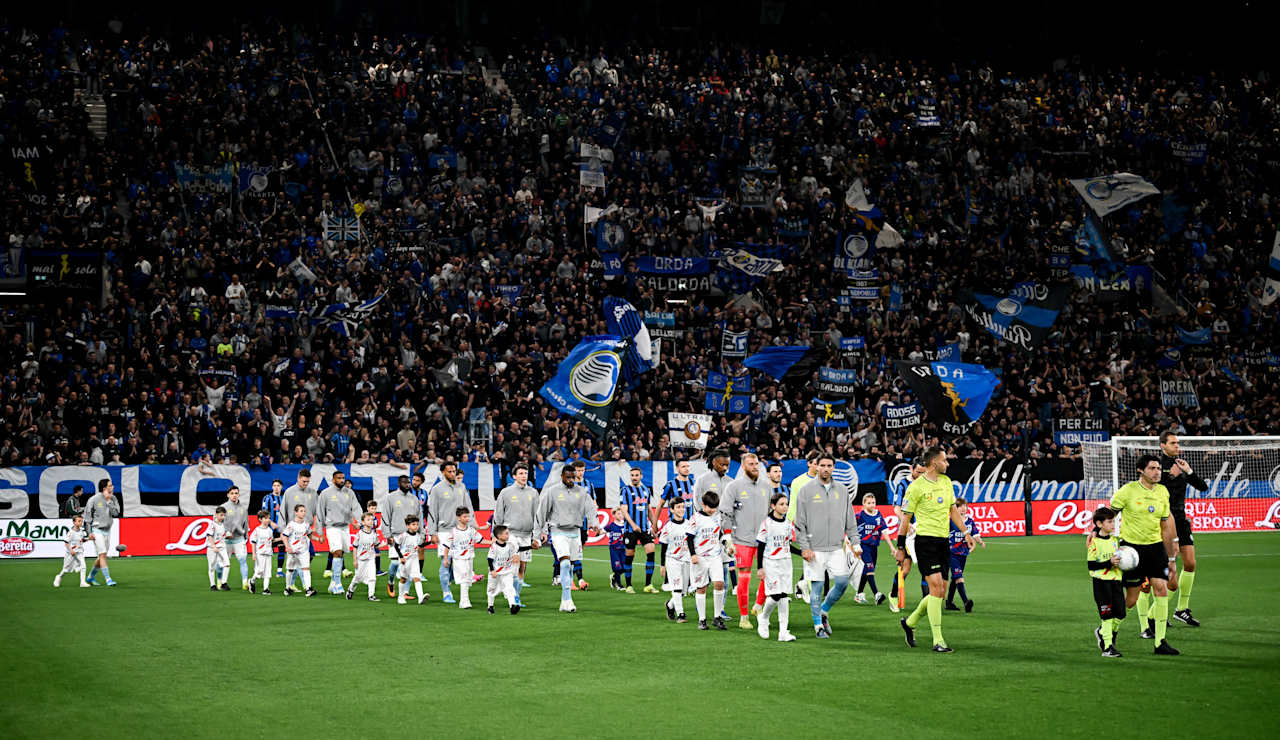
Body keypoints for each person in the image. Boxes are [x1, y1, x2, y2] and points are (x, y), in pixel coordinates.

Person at [895, 447, 975, 653]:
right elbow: (905, 519)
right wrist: (900, 547)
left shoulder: (947, 482)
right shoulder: (916, 488)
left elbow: (952, 511)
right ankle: (938, 640)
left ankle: (910, 622)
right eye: (944, 460)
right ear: (933, 463)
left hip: (943, 542)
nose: (947, 464)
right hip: (925, 542)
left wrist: (966, 532)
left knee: (939, 592)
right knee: (936, 589)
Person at [1110, 454, 1180, 655]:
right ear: (1141, 470)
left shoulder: (1163, 492)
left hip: (1155, 547)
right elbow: (1109, 515)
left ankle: (1160, 642)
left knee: (1161, 589)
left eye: (1158, 468)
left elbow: (1165, 526)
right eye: (1152, 468)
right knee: (1131, 599)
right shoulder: (1127, 491)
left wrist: (1171, 557)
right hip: (1131, 550)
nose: (1157, 472)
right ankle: (1110, 631)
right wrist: (1097, 534)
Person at [794, 455, 859, 639]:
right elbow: (800, 523)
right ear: (817, 467)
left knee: (842, 582)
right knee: (817, 588)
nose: (825, 469)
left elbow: (850, 521)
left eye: (829, 466)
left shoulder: (842, 490)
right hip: (814, 548)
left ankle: (824, 611)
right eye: (822, 465)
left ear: (833, 468)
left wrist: (855, 542)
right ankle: (818, 627)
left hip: (837, 547)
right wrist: (805, 547)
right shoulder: (806, 490)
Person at [1158, 431, 1208, 627]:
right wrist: (1170, 476)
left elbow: (1203, 487)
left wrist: (1188, 471)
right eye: (1173, 443)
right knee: (1168, 573)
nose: (1177, 446)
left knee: (1190, 563)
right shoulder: (1156, 465)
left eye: (1178, 443)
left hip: (1181, 519)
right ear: (1163, 445)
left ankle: (1181, 609)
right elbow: (1154, 489)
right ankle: (1155, 614)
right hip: (1163, 521)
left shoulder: (1180, 464)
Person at [538, 465, 601, 612]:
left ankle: (564, 601)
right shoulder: (552, 491)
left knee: (571, 565)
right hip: (558, 531)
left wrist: (594, 523)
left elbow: (590, 508)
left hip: (575, 531)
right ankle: (568, 599)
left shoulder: (581, 491)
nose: (571, 480)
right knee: (565, 564)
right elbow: (542, 512)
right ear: (562, 476)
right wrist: (540, 532)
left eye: (573, 477)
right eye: (568, 477)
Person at [721, 453, 772, 629]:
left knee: (769, 575)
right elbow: (725, 513)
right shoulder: (733, 487)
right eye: (751, 464)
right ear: (743, 466)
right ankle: (744, 617)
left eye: (756, 463)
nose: (755, 467)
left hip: (763, 541)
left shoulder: (767, 486)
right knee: (744, 579)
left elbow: (771, 514)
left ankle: (758, 606)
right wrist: (727, 537)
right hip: (741, 539)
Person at [492, 462, 541, 605]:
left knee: (522, 567)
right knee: (513, 564)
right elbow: (498, 514)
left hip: (526, 535)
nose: (524, 476)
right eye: (520, 473)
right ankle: (511, 595)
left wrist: (539, 533)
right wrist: (496, 534)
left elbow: (538, 515)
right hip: (510, 535)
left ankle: (516, 596)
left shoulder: (533, 492)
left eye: (525, 473)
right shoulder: (506, 492)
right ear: (514, 476)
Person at [755, 493, 799, 642]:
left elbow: (787, 544)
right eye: (781, 504)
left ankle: (783, 632)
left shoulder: (788, 523)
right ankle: (763, 617)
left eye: (786, 504)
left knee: (785, 596)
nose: (784, 507)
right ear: (773, 506)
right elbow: (760, 546)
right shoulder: (766, 524)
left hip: (786, 562)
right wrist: (759, 567)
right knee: (775, 595)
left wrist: (801, 553)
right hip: (771, 562)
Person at [1087, 507, 1126, 658]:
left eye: (1113, 521)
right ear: (1099, 523)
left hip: (1116, 581)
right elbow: (1091, 565)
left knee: (1121, 613)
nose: (1113, 524)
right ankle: (1108, 647)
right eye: (1109, 522)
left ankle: (1102, 632)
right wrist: (1109, 563)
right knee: (1107, 615)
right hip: (1101, 582)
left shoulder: (1116, 541)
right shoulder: (1094, 543)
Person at [427, 461, 467, 603]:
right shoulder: (437, 489)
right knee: (446, 561)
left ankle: (449, 581)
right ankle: (446, 593)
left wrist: (473, 526)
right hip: (444, 531)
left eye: (454, 471)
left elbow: (468, 508)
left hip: (461, 530)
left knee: (459, 561)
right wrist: (432, 532)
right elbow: (432, 512)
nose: (452, 474)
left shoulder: (462, 487)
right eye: (449, 471)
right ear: (443, 472)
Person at [689, 492, 729, 631]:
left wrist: (726, 545)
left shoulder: (717, 516)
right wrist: (693, 554)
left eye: (714, 507)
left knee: (719, 583)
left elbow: (720, 534)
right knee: (702, 587)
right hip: (700, 557)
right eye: (710, 507)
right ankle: (702, 619)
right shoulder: (696, 518)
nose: (712, 510)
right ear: (703, 505)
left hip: (715, 556)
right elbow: (689, 538)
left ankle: (717, 617)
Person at [653, 459, 695, 586]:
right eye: (683, 466)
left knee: (690, 552)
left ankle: (690, 583)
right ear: (677, 469)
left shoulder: (693, 483)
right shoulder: (670, 485)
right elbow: (660, 505)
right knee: (671, 551)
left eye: (688, 466)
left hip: (690, 524)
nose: (686, 468)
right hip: (675, 525)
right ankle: (667, 581)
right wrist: (655, 524)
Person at [316, 473, 360, 595]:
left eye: (343, 478)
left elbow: (355, 508)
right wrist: (320, 531)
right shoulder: (325, 493)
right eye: (339, 478)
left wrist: (360, 521)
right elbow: (320, 512)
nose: (341, 480)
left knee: (342, 554)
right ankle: (337, 583)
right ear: (333, 479)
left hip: (345, 527)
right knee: (337, 551)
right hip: (332, 527)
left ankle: (333, 582)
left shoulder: (349, 493)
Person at [618, 466, 657, 593]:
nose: (634, 477)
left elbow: (649, 509)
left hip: (645, 529)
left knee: (651, 552)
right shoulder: (625, 490)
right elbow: (624, 510)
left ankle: (648, 585)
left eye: (636, 475)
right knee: (630, 555)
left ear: (641, 476)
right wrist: (633, 525)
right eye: (632, 475)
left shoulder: (646, 490)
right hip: (630, 529)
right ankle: (629, 585)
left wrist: (654, 525)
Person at [383, 476, 423, 597]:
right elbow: (385, 516)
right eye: (404, 482)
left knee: (410, 563)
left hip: (412, 536)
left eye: (408, 483)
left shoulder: (414, 499)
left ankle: (405, 592)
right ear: (399, 483)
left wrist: (422, 533)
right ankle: (390, 582)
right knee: (395, 563)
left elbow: (419, 517)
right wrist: (387, 534)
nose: (407, 484)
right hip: (396, 535)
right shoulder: (390, 497)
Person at [789, 451, 821, 602]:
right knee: (810, 556)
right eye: (815, 463)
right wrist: (790, 523)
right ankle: (806, 587)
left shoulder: (825, 481)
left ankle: (802, 584)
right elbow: (793, 504)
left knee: (816, 558)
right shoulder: (798, 481)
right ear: (809, 463)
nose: (818, 466)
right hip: (804, 524)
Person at [854, 492, 895, 605]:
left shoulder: (878, 515)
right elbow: (850, 529)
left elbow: (884, 532)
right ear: (863, 504)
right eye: (869, 503)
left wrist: (892, 547)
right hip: (863, 547)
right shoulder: (859, 516)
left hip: (874, 547)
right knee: (870, 570)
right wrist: (850, 544)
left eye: (873, 502)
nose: (872, 505)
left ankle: (859, 594)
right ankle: (877, 594)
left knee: (867, 571)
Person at [945, 498, 984, 612]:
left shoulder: (970, 521)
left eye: (965, 506)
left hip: (964, 553)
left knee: (955, 578)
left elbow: (975, 534)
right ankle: (966, 602)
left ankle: (949, 603)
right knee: (958, 577)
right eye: (961, 506)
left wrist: (979, 541)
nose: (964, 508)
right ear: (955, 509)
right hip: (952, 552)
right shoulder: (951, 521)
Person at [282, 469, 318, 589]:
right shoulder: (289, 492)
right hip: (292, 533)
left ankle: (301, 585)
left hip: (306, 531)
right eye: (303, 481)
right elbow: (283, 512)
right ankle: (293, 585)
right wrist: (283, 531)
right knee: (295, 563)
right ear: (298, 478)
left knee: (308, 556)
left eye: (308, 482)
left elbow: (317, 512)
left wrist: (316, 527)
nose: (305, 484)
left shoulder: (313, 493)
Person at [659, 499, 691, 623]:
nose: (681, 509)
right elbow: (663, 547)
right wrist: (662, 565)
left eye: (683, 507)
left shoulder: (689, 524)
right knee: (677, 588)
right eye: (678, 507)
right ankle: (681, 614)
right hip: (673, 560)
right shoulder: (668, 527)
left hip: (686, 560)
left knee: (683, 591)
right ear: (672, 509)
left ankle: (670, 605)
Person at [444, 506, 483, 609]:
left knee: (468, 580)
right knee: (465, 579)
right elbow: (447, 546)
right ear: (458, 518)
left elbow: (480, 540)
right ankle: (465, 602)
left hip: (470, 558)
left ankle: (463, 601)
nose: (467, 519)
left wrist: (493, 542)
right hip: (459, 559)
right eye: (464, 516)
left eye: (468, 516)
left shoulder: (471, 530)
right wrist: (445, 558)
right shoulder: (454, 532)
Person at [84, 479, 120, 586]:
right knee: (103, 555)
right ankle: (108, 579)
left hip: (107, 531)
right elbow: (87, 517)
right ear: (105, 488)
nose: (113, 487)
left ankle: (90, 577)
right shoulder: (93, 499)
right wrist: (89, 532)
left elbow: (116, 513)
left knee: (101, 557)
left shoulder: (113, 498)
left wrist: (109, 502)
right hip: (97, 530)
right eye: (110, 485)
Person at [282, 504, 318, 597]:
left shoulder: (306, 524)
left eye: (304, 511)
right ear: (296, 512)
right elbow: (284, 535)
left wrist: (318, 539)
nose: (303, 513)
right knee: (290, 570)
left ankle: (308, 589)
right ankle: (287, 588)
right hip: (293, 551)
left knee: (306, 568)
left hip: (304, 550)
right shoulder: (291, 524)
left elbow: (309, 535)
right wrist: (287, 547)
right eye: (301, 511)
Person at [486, 524, 522, 614]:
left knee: (509, 588)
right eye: (506, 533)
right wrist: (492, 570)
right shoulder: (494, 546)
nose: (508, 535)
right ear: (499, 536)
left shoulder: (510, 545)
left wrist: (531, 547)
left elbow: (519, 549)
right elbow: (490, 559)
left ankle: (512, 606)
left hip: (507, 572)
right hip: (496, 572)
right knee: (491, 589)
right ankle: (490, 606)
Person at [346, 512, 382, 601]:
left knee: (372, 577)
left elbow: (377, 545)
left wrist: (386, 543)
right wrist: (355, 560)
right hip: (361, 560)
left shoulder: (374, 533)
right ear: (363, 522)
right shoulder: (360, 534)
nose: (371, 522)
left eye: (372, 520)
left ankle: (371, 595)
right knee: (357, 578)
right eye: (368, 520)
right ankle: (351, 589)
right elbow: (354, 547)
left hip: (370, 559)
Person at [394, 515, 429, 605]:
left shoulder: (418, 536)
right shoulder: (403, 536)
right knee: (403, 579)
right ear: (408, 526)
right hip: (405, 560)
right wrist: (401, 557)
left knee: (417, 577)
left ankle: (420, 597)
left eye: (417, 524)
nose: (416, 526)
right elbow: (396, 546)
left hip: (414, 559)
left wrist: (430, 542)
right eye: (413, 524)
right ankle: (400, 597)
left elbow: (420, 546)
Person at [222, 485, 251, 590]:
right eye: (232, 493)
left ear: (239, 494)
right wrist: (224, 533)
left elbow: (246, 523)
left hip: (239, 539)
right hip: (226, 540)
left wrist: (246, 536)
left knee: (243, 560)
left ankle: (245, 583)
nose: (234, 495)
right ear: (228, 495)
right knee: (223, 562)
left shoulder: (243, 508)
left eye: (236, 493)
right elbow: (217, 523)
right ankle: (220, 581)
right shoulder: (223, 507)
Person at [53, 513, 89, 588]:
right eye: (79, 521)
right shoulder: (70, 532)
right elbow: (66, 543)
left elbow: (81, 540)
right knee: (66, 569)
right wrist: (71, 550)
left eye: (81, 521)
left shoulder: (81, 531)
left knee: (83, 565)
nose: (80, 523)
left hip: (79, 552)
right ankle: (59, 577)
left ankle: (82, 582)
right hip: (71, 553)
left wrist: (88, 539)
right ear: (74, 522)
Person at [261, 479, 287, 576]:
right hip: (269, 528)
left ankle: (279, 571)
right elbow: (263, 513)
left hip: (281, 528)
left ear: (281, 487)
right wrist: (271, 522)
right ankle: (263, 570)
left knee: (282, 547)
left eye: (278, 485)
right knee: (268, 549)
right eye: (275, 485)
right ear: (272, 487)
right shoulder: (267, 498)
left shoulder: (284, 498)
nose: (276, 487)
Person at [248, 509, 276, 595]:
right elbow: (253, 542)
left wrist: (281, 539)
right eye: (266, 518)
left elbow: (271, 541)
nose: (268, 520)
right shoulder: (257, 530)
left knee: (268, 572)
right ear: (260, 519)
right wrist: (253, 554)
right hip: (260, 553)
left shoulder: (270, 530)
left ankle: (266, 589)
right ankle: (252, 580)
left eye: (269, 518)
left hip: (268, 553)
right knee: (259, 571)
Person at [207, 506, 230, 591]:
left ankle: (224, 583)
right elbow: (209, 536)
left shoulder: (224, 524)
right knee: (212, 566)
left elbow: (224, 535)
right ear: (216, 515)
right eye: (221, 515)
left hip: (222, 547)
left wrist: (228, 536)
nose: (223, 517)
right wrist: (213, 546)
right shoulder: (212, 524)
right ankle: (212, 585)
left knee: (227, 564)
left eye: (224, 515)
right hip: (212, 548)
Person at [605, 507, 627, 590]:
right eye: (618, 514)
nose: (621, 515)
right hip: (614, 549)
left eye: (621, 513)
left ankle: (613, 577)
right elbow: (602, 531)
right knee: (617, 567)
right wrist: (597, 531)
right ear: (613, 515)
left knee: (625, 567)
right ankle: (619, 585)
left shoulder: (626, 525)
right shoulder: (611, 525)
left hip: (623, 548)